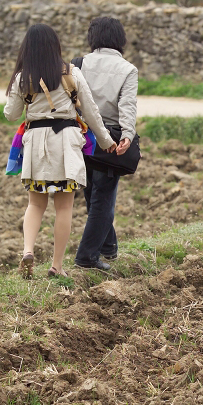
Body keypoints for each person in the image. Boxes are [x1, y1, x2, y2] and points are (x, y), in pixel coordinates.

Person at [4, 24, 116, 278]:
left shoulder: (22, 78)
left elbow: (11, 115)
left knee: (35, 203)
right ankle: (57, 266)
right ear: (56, 46)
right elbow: (90, 111)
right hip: (65, 142)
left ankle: (27, 251)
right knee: (64, 207)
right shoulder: (71, 73)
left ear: (27, 48)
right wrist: (107, 142)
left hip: (35, 144)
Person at [73, 16, 138, 271]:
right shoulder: (128, 70)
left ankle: (108, 247)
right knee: (103, 199)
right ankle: (87, 257)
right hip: (111, 140)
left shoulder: (77, 65)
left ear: (93, 38)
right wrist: (127, 135)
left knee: (92, 195)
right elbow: (128, 106)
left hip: (81, 137)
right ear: (120, 40)